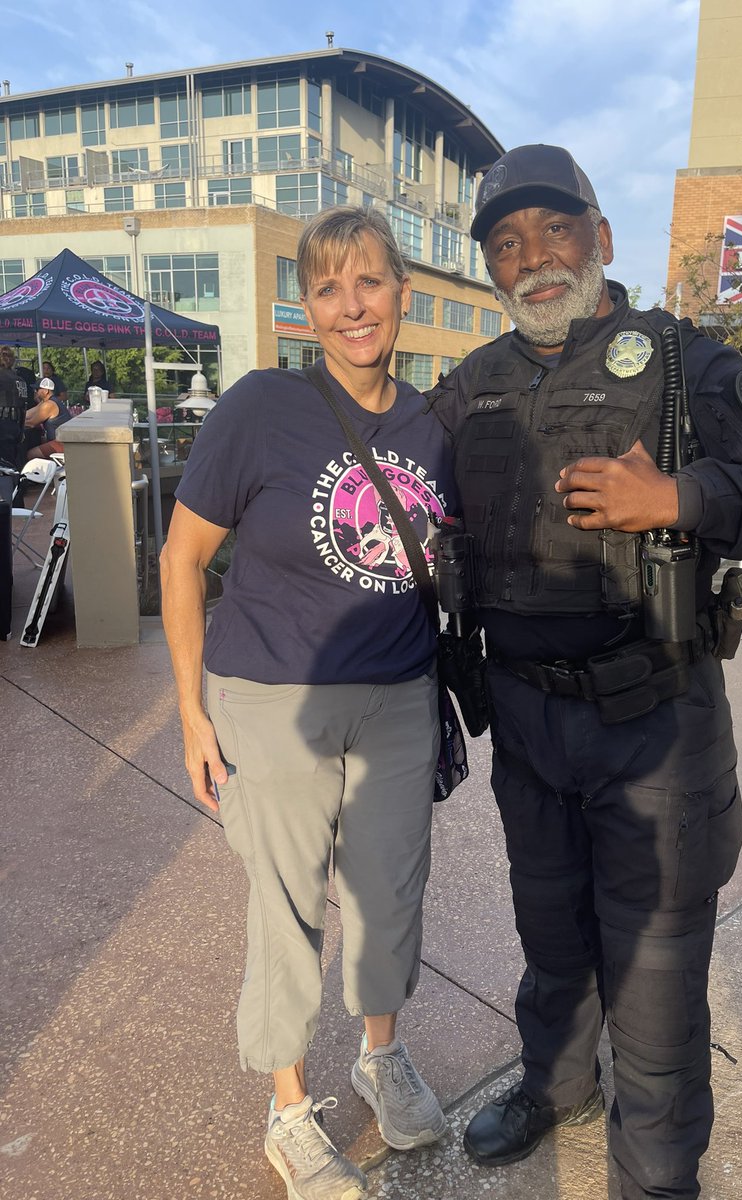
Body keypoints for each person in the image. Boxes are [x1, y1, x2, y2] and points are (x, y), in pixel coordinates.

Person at [427, 145, 742, 1200]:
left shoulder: (680, 363)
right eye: (507, 244)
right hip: (525, 725)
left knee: (657, 981)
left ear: (600, 238)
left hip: (655, 725)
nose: (533, 260)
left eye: (554, 231)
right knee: (550, 932)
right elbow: (384, 492)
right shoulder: (470, 388)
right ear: (489, 268)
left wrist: (683, 500)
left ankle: (656, 1179)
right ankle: (555, 1082)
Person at [160, 206, 456, 1200]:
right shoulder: (259, 409)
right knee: (285, 908)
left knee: (388, 897)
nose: (351, 306)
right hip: (269, 698)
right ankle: (289, 1108)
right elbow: (182, 557)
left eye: (368, 281)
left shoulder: (431, 424)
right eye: (327, 288)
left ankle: (381, 1053)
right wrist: (195, 717)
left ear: (403, 295)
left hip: (399, 703)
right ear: (305, 307)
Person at [24, 377, 73, 460]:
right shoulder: (46, 402)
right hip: (58, 440)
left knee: (30, 454)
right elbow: (28, 414)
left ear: (46, 391)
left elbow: (32, 423)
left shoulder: (49, 405)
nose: (35, 392)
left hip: (61, 442)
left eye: (37, 389)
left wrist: (13, 424)